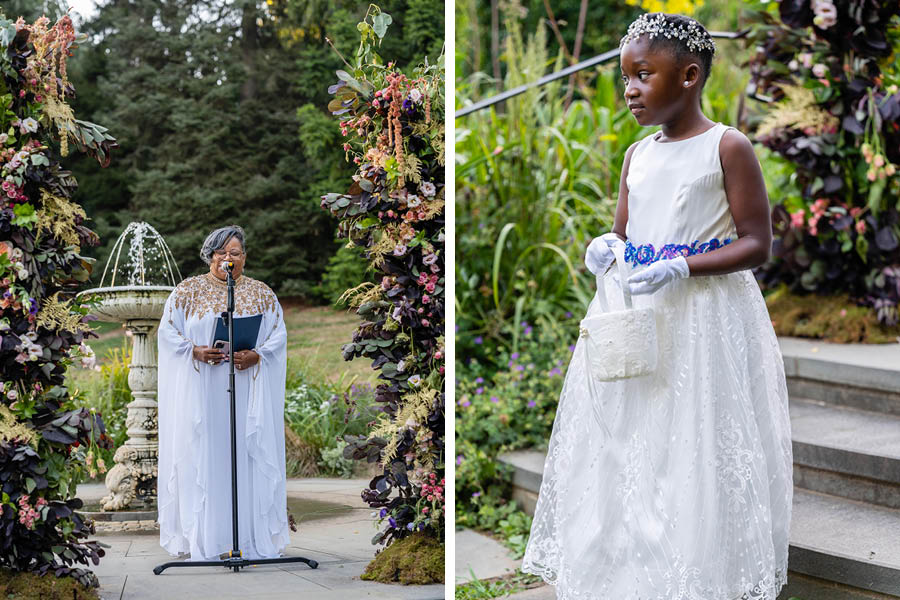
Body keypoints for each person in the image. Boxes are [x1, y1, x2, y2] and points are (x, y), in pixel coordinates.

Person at [521, 13, 793, 599]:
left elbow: (757, 243)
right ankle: (630, 576)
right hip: (639, 319)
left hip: (705, 319)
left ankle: (696, 575)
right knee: (633, 443)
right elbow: (626, 231)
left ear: (689, 75)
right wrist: (608, 248)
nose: (630, 90)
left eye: (644, 75)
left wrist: (684, 264)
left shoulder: (727, 146)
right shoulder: (637, 156)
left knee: (693, 443)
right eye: (626, 78)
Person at [157, 225, 291, 561]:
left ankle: (247, 536)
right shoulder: (186, 292)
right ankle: (207, 538)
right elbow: (167, 334)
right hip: (203, 390)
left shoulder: (263, 294)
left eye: (234, 253)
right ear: (209, 256)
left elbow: (278, 335)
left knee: (244, 457)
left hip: (246, 388)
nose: (227, 258)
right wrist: (194, 351)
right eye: (221, 252)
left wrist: (258, 354)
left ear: (244, 258)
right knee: (207, 457)